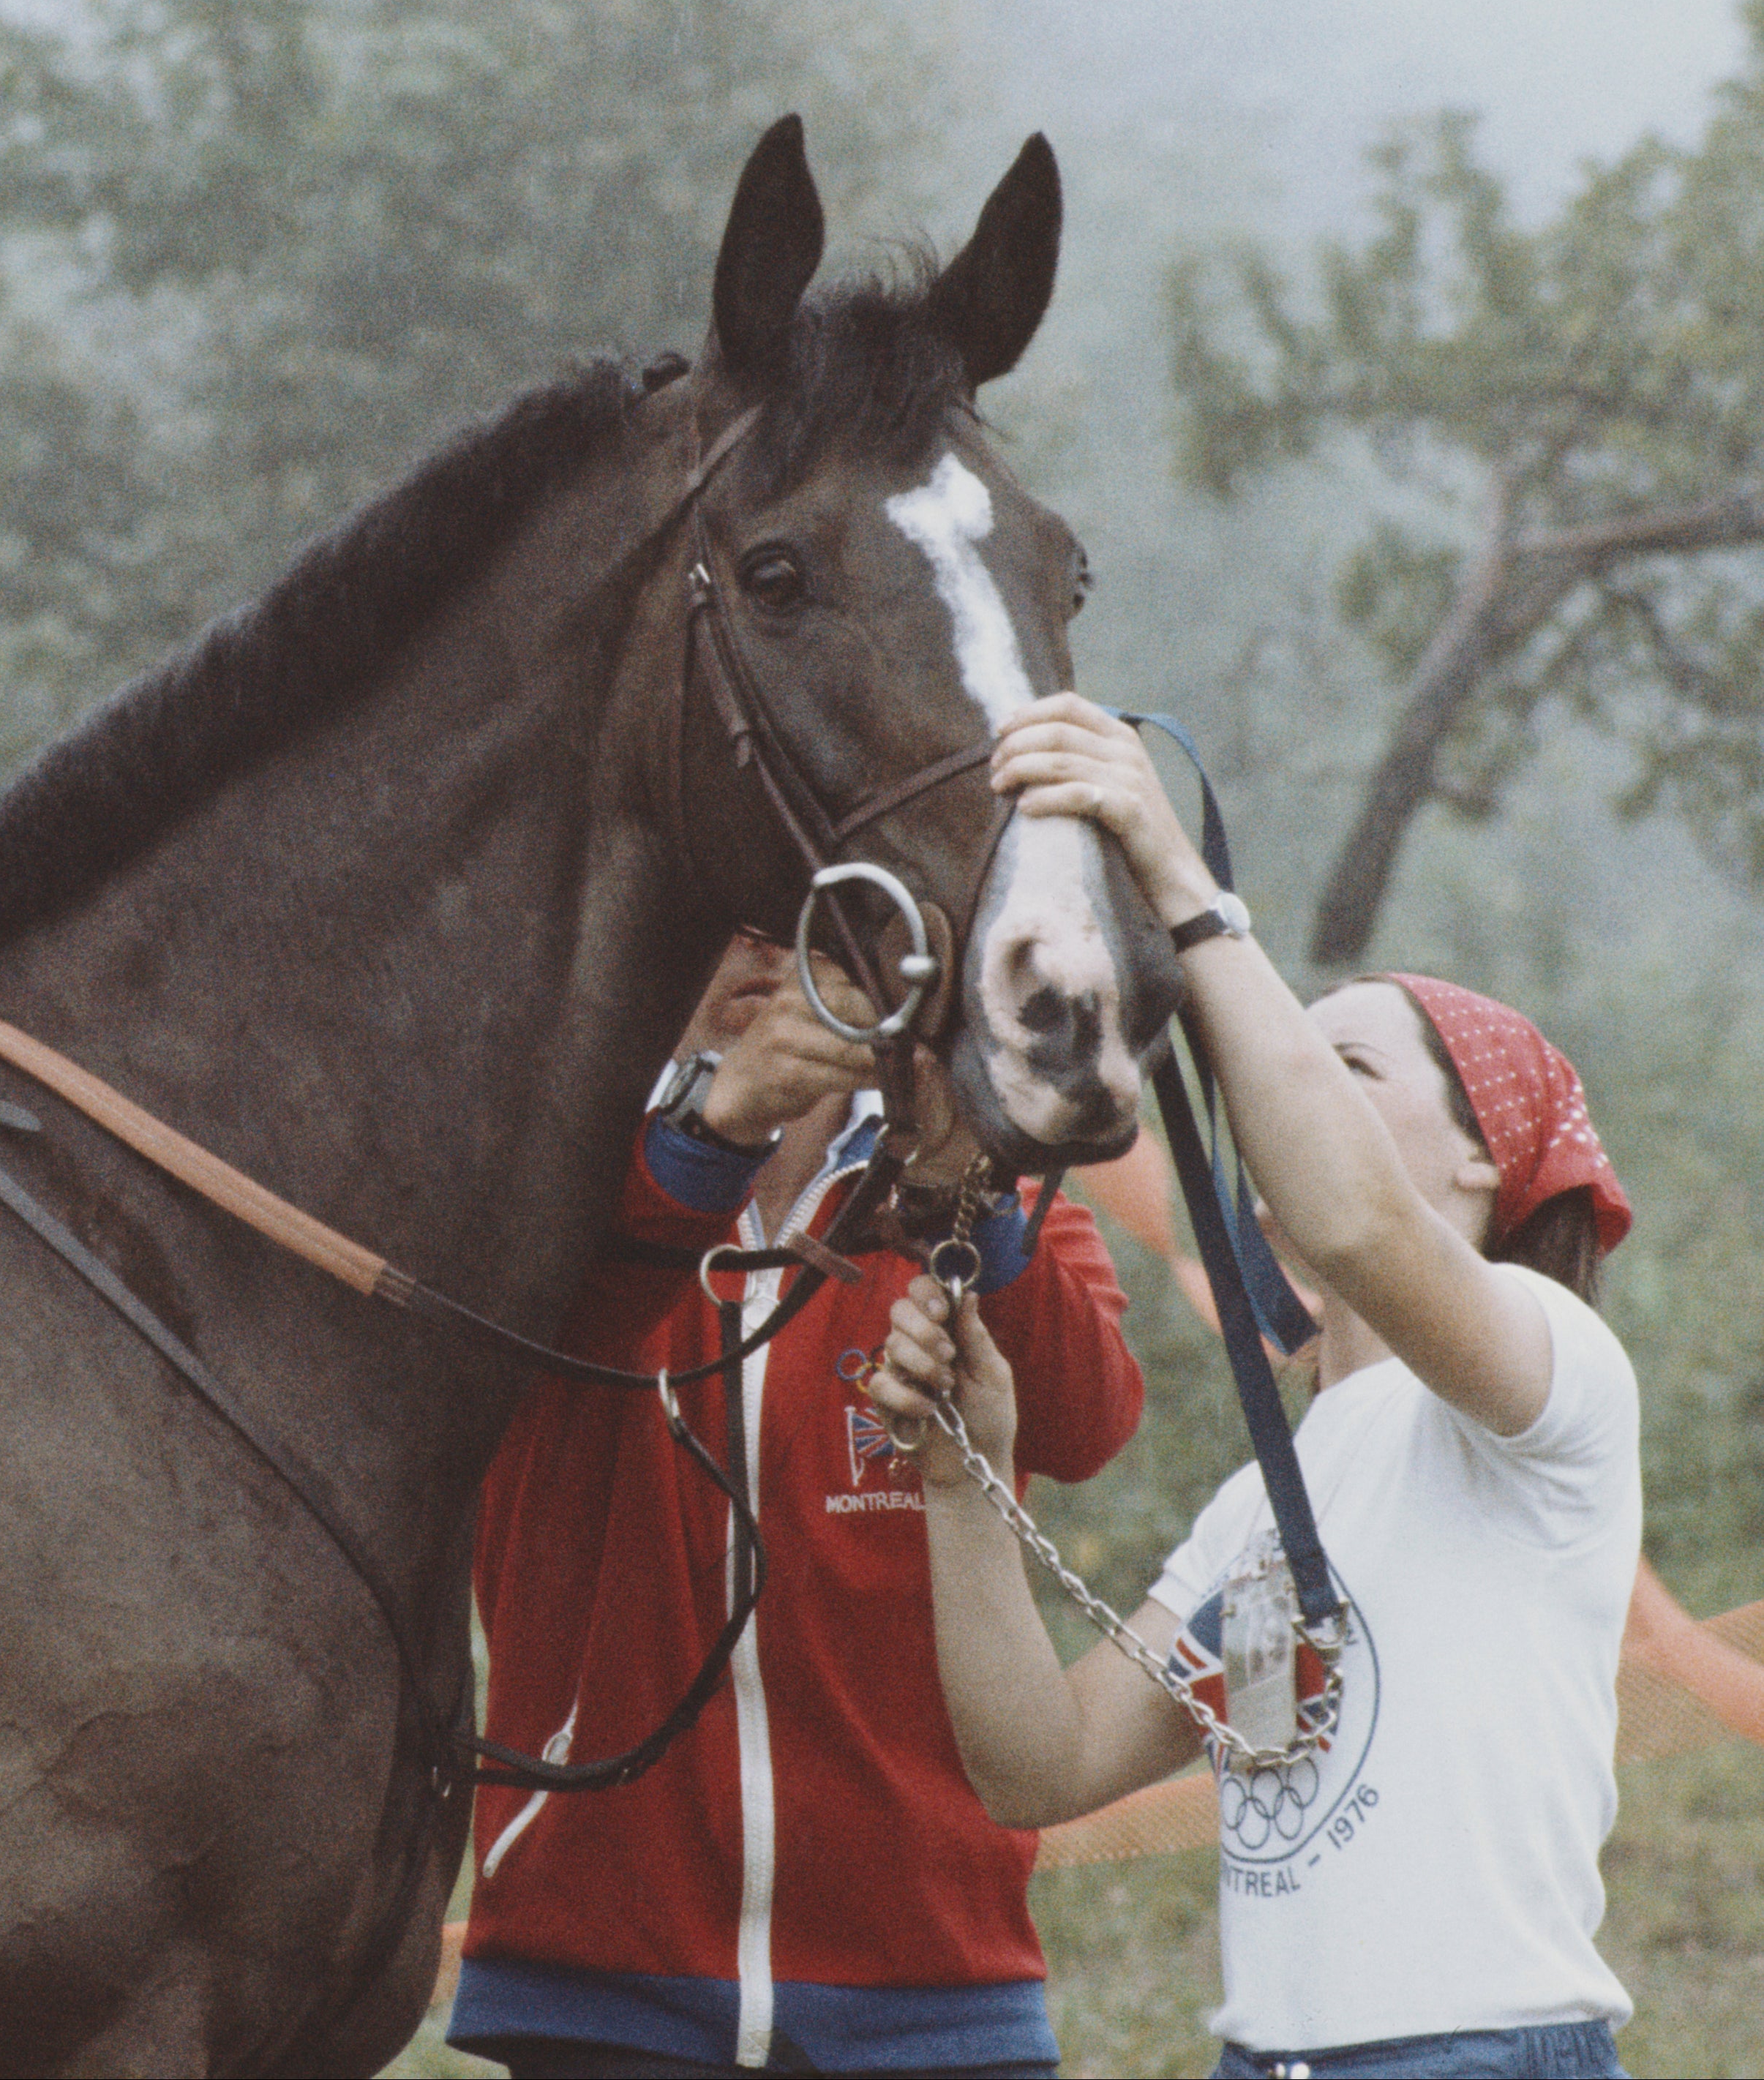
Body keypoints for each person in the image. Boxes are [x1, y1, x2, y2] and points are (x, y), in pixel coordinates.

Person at [868, 693, 1641, 2080]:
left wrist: (1181, 882)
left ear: (1484, 1161)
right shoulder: (1262, 1504)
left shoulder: (1549, 1373)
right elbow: (1037, 1767)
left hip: (1473, 2053)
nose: (1290, 1114)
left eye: (1346, 1072)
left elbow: (1357, 1222)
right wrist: (958, 1478)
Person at [454, 932, 1146, 2078]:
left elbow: (1089, 1422)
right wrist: (703, 1141)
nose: (768, 951)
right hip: (598, 1974)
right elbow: (525, 1354)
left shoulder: (966, 1179)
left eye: (809, 919)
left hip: (932, 1977)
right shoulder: (549, 1167)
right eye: (725, 915)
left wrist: (955, 1193)